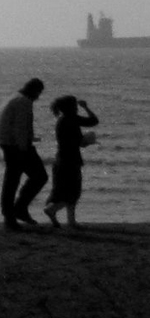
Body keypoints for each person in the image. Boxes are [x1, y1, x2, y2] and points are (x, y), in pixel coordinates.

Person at [0, 78, 48, 229]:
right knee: (38, 177)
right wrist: (24, 147)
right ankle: (18, 209)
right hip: (17, 146)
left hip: (7, 144)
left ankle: (12, 213)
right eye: (38, 93)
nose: (38, 97)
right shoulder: (24, 102)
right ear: (34, 90)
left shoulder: (13, 98)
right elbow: (20, 127)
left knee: (11, 180)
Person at [43, 96, 101, 229]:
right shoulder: (72, 119)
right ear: (71, 107)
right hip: (71, 160)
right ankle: (55, 211)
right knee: (73, 192)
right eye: (75, 106)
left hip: (60, 160)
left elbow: (74, 140)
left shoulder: (61, 120)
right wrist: (85, 107)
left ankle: (67, 219)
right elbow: (93, 121)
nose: (76, 108)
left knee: (61, 191)